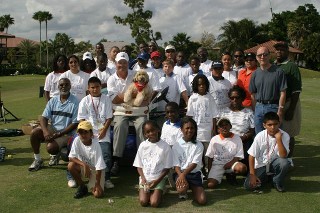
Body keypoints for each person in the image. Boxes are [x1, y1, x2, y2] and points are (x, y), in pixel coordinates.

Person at [107, 52, 149, 175]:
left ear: (128, 63)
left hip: (137, 110)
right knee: (119, 125)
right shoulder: (111, 79)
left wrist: (127, 96)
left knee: (142, 124)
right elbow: (114, 99)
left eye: (125, 62)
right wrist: (131, 95)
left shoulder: (135, 75)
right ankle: (116, 160)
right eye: (120, 63)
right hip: (120, 111)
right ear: (116, 64)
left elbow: (144, 93)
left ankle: (143, 160)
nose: (122, 65)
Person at [28, 78, 79, 172]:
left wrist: (58, 134)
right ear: (58, 87)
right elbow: (43, 118)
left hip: (66, 134)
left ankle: (58, 152)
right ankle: (38, 159)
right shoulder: (53, 100)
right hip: (54, 129)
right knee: (34, 132)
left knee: (51, 148)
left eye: (66, 84)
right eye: (61, 85)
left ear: (70, 86)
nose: (64, 87)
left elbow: (75, 123)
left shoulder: (76, 102)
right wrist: (46, 132)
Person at [77, 77, 114, 189]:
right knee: (83, 154)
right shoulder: (85, 100)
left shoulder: (106, 99)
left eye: (97, 87)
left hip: (103, 133)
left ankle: (106, 178)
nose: (95, 89)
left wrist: (104, 130)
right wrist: (87, 133)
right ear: (88, 88)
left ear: (101, 87)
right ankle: (79, 176)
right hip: (89, 134)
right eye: (92, 87)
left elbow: (109, 118)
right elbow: (81, 119)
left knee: (106, 154)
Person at [244, 112, 290, 192]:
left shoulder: (285, 135)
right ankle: (267, 177)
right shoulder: (260, 136)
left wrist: (279, 139)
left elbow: (283, 156)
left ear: (279, 124)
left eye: (275, 124)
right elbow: (251, 155)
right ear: (264, 125)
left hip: (275, 163)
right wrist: (252, 175)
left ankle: (276, 181)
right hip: (261, 165)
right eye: (269, 125)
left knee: (284, 163)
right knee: (249, 186)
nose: (273, 127)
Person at [274, 41, 302, 167]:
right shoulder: (273, 66)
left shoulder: (291, 66)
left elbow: (296, 90)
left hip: (289, 102)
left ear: (287, 51)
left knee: (289, 133)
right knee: (276, 131)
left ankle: (289, 159)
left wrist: (291, 109)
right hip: (276, 103)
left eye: (282, 49)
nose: (279, 51)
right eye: (277, 49)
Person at [133, 120, 173, 208]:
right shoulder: (143, 145)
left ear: (158, 130)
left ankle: (161, 190)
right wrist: (143, 179)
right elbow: (139, 166)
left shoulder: (165, 146)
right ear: (145, 134)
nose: (151, 133)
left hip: (158, 179)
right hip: (145, 180)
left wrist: (157, 181)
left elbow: (167, 168)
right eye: (148, 132)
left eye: (153, 130)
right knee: (143, 202)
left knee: (154, 203)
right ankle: (145, 191)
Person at [249, 46, 287, 134]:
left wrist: (280, 111)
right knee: (259, 136)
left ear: (269, 56)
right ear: (256, 58)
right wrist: (255, 109)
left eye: (265, 54)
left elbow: (283, 93)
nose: (262, 57)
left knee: (274, 136)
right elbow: (253, 94)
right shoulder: (255, 73)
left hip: (273, 107)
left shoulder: (278, 72)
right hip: (259, 107)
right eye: (259, 55)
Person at [186, 74, 218, 177]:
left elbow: (214, 116)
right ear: (196, 85)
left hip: (207, 131)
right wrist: (190, 131)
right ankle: (200, 172)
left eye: (203, 84)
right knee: (198, 152)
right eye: (199, 85)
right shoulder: (192, 98)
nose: (201, 86)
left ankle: (209, 171)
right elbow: (190, 116)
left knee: (207, 153)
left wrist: (214, 130)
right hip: (196, 132)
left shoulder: (210, 98)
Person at [172, 117, 206, 205]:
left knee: (202, 200)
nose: (190, 130)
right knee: (181, 189)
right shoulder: (176, 145)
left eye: (192, 128)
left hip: (194, 174)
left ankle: (192, 186)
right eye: (187, 128)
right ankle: (184, 190)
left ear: (195, 130)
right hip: (180, 173)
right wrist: (181, 175)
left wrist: (183, 175)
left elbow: (195, 164)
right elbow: (176, 165)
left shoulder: (199, 145)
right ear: (181, 129)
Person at [68, 121, 106, 199]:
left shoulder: (96, 145)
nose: (83, 135)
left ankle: (95, 184)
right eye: (81, 132)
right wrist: (84, 165)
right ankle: (82, 186)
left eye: (86, 132)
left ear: (91, 134)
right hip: (84, 167)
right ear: (78, 133)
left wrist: (97, 183)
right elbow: (71, 157)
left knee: (97, 194)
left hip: (96, 171)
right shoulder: (77, 140)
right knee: (70, 165)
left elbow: (99, 167)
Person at [219, 86, 255, 169]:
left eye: (237, 97)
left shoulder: (248, 112)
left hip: (243, 140)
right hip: (227, 140)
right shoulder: (224, 112)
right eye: (232, 98)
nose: (234, 100)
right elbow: (219, 128)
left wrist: (243, 137)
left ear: (242, 98)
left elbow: (252, 130)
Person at [206, 117, 247, 188]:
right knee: (210, 185)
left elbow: (238, 155)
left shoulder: (237, 138)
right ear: (218, 129)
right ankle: (219, 175)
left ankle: (231, 175)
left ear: (230, 126)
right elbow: (210, 156)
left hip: (232, 163)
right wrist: (210, 172)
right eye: (221, 126)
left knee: (242, 168)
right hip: (218, 164)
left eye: (226, 125)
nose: (224, 127)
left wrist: (230, 163)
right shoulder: (214, 139)